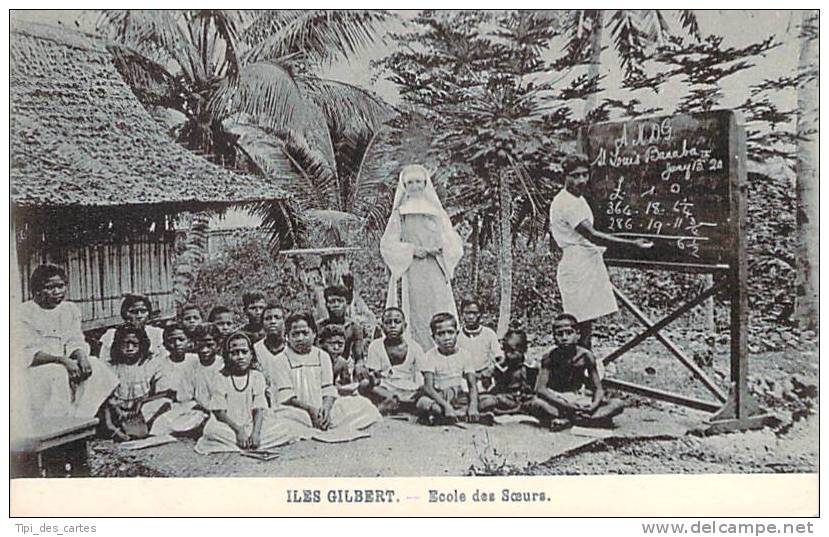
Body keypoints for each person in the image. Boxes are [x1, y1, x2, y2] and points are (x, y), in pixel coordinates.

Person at [549, 153, 652, 349]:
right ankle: (579, 371)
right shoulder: (567, 203)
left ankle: (585, 369)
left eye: (584, 175)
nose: (581, 180)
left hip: (586, 263)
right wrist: (632, 244)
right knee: (578, 326)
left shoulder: (577, 199)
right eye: (575, 175)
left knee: (585, 325)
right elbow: (593, 235)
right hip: (577, 266)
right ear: (565, 176)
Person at [14, 264, 118, 420]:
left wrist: (81, 356)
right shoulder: (23, 313)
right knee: (57, 373)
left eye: (61, 286)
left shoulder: (69, 309)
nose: (57, 292)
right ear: (36, 291)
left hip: (68, 363)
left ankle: (80, 418)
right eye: (50, 287)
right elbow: (27, 352)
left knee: (96, 365)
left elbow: (74, 339)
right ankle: (58, 423)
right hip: (37, 369)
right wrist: (62, 360)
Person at [380, 164, 463, 353]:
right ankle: (417, 352)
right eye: (410, 183)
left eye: (418, 182)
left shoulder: (437, 213)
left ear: (425, 184)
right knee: (416, 311)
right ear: (404, 186)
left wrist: (442, 247)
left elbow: (452, 241)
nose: (415, 186)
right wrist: (411, 250)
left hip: (435, 268)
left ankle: (443, 352)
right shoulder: (399, 214)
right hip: (412, 270)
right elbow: (387, 244)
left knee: (439, 307)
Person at [267, 312, 381, 436]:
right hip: (296, 409)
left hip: (321, 407)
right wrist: (310, 410)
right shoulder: (280, 360)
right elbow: (286, 397)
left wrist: (326, 409)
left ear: (314, 334)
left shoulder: (322, 356)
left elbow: (328, 388)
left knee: (363, 405)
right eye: (295, 334)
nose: (300, 338)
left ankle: (324, 420)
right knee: (286, 422)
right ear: (287, 336)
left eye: (305, 333)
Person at [195, 332, 296, 454]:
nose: (240, 356)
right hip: (229, 425)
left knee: (285, 428)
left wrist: (255, 433)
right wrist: (239, 430)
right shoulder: (220, 377)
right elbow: (219, 412)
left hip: (252, 422)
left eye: (244, 352)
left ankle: (248, 442)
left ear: (251, 354)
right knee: (211, 431)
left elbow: (259, 408)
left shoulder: (257, 377)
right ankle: (246, 442)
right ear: (227, 356)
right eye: (234, 353)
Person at [528, 314, 625, 431]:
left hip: (579, 399)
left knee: (617, 404)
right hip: (558, 400)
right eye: (559, 334)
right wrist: (566, 405)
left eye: (569, 333)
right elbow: (540, 389)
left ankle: (568, 420)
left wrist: (593, 405)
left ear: (577, 335)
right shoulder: (549, 357)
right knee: (535, 404)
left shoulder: (586, 356)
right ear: (554, 337)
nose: (564, 337)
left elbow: (598, 388)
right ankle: (587, 420)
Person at [415, 312, 496, 425]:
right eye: (441, 334)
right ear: (434, 337)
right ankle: (459, 415)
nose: (447, 337)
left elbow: (472, 385)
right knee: (423, 403)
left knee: (490, 400)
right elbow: (429, 388)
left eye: (450, 332)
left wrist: (473, 406)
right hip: (439, 397)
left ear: (457, 333)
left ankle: (453, 416)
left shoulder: (465, 355)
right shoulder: (430, 356)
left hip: (460, 397)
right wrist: (446, 406)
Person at [101, 325, 170, 441]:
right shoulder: (112, 366)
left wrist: (142, 402)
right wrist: (117, 409)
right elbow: (107, 395)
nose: (130, 348)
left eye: (134, 344)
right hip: (117, 409)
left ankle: (143, 427)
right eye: (125, 344)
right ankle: (112, 428)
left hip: (142, 409)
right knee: (103, 406)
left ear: (142, 345)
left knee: (163, 403)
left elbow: (162, 392)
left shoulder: (151, 364)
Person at [361, 307, 425, 414]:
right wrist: (372, 377)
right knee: (364, 384)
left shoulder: (415, 347)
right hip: (385, 388)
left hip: (408, 389)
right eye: (388, 322)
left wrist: (418, 389)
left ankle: (395, 404)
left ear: (405, 326)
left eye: (397, 322)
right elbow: (374, 376)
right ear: (382, 327)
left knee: (424, 391)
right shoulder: (375, 345)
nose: (393, 326)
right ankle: (397, 403)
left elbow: (421, 376)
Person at [150, 323, 208, 437]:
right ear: (165, 345)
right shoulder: (158, 363)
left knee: (197, 414)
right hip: (166, 405)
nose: (177, 344)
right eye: (172, 341)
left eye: (181, 339)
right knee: (162, 420)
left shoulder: (196, 360)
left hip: (191, 405)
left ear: (189, 341)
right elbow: (152, 391)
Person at [99, 294, 164, 362]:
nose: (139, 316)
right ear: (125, 313)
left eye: (143, 311)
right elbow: (104, 362)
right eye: (134, 312)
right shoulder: (111, 335)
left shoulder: (157, 334)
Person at [457, 297, 502, 392]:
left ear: (480, 314)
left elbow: (500, 357)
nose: (470, 317)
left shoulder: (489, 334)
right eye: (467, 313)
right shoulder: (457, 336)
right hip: (463, 380)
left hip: (484, 378)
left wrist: (490, 370)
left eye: (474, 313)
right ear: (462, 314)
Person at [317, 285, 364, 364]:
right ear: (326, 305)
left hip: (343, 365)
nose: (336, 305)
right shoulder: (319, 326)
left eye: (340, 301)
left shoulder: (353, 327)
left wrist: (359, 364)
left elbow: (359, 356)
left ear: (346, 303)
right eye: (332, 301)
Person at [190, 323, 224, 409]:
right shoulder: (190, 365)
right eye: (201, 345)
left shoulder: (224, 365)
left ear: (218, 345)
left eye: (209, 345)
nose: (204, 350)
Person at [317, 324, 353, 389]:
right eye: (332, 343)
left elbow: (346, 384)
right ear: (322, 343)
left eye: (340, 344)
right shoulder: (316, 360)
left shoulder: (342, 362)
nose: (336, 347)